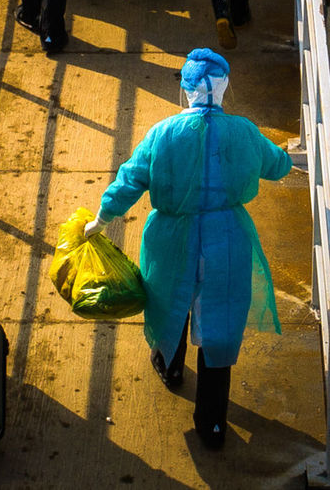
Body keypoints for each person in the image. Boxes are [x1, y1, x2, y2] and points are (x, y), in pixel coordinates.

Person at [83, 48, 292, 449]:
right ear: (225, 87)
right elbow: (276, 165)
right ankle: (212, 424)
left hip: (171, 238)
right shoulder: (244, 131)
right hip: (227, 237)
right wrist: (289, 157)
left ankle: (171, 366)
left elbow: (129, 180)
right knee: (221, 323)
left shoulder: (162, 133)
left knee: (170, 302)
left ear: (186, 89)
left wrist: (102, 218)